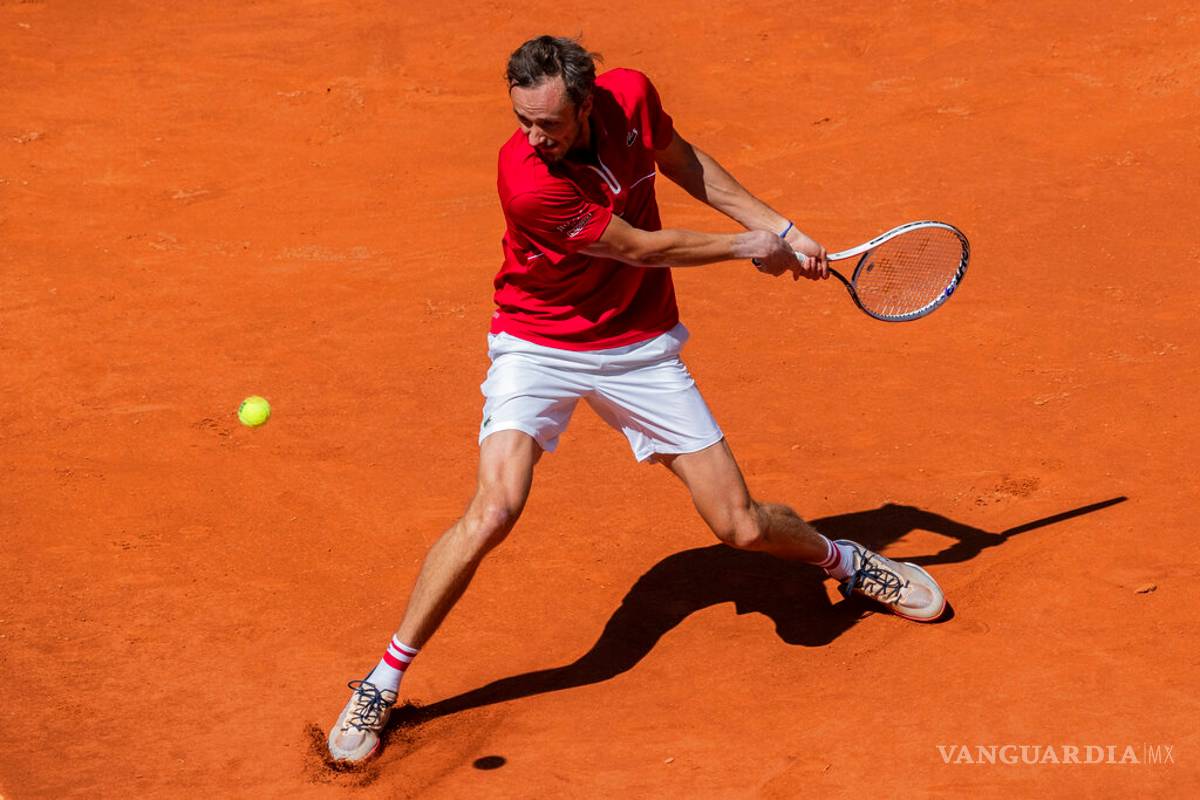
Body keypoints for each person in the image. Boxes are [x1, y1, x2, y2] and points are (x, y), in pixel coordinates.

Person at [327, 35, 946, 763]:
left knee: (742, 528)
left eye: (548, 124)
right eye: (522, 119)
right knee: (494, 508)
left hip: (637, 348)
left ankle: (845, 562)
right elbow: (640, 249)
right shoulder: (527, 178)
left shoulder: (632, 95)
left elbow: (683, 162)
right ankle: (381, 681)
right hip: (540, 344)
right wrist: (748, 250)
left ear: (588, 103)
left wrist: (775, 226)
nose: (533, 136)